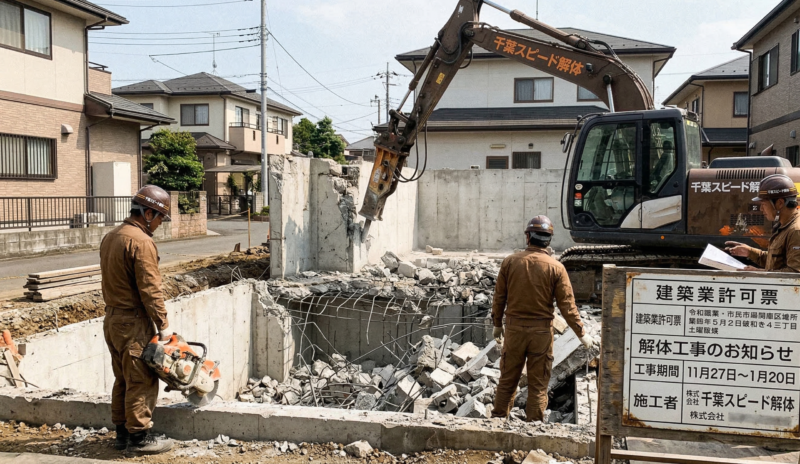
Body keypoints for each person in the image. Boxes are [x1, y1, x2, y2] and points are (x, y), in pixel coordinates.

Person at [491, 216, 594, 422]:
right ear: (549, 240)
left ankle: (497, 422)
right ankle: (533, 429)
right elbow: (567, 306)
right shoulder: (556, 268)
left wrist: (496, 325)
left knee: (508, 380)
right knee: (538, 385)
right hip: (541, 335)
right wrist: (581, 333)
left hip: (514, 332)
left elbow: (499, 297)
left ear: (528, 237)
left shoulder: (510, 262)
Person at [100, 185, 174, 454]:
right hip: (133, 323)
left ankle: (122, 434)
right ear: (148, 213)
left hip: (113, 321)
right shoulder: (141, 242)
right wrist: (163, 325)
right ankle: (140, 438)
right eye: (160, 218)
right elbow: (150, 288)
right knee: (141, 379)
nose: (160, 224)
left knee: (122, 378)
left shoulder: (111, 236)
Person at [725, 174, 800, 272]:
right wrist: (750, 252)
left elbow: (794, 273)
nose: (761, 209)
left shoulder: (796, 231)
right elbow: (776, 261)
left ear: (780, 203)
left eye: (763, 204)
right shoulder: (785, 225)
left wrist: (759, 273)